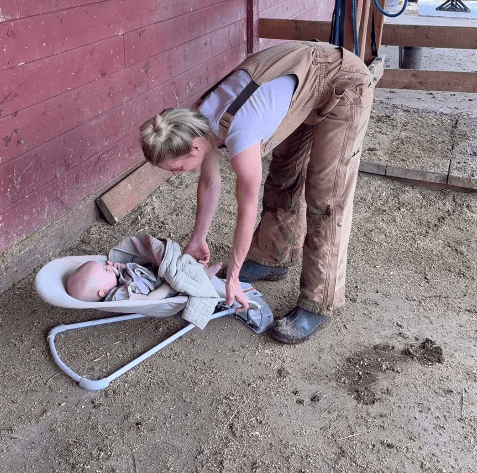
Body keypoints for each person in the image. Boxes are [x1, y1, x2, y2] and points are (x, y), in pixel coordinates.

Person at [140, 41, 379, 343]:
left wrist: (235, 275)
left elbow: (246, 208)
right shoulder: (198, 121)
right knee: (284, 173)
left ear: (194, 149)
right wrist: (198, 238)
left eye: (175, 168)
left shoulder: (241, 134)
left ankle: (319, 302)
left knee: (326, 197)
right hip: (300, 83)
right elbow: (210, 182)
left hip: (342, 83)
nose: (176, 175)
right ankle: (272, 257)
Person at [66, 241, 222, 303]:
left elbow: (121, 270)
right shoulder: (119, 295)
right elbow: (148, 298)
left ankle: (198, 266)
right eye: (106, 271)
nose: (108, 267)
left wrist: (115, 265)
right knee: (181, 276)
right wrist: (167, 287)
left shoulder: (113, 280)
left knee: (181, 262)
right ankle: (205, 276)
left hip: (153, 272)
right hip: (161, 286)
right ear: (103, 292)